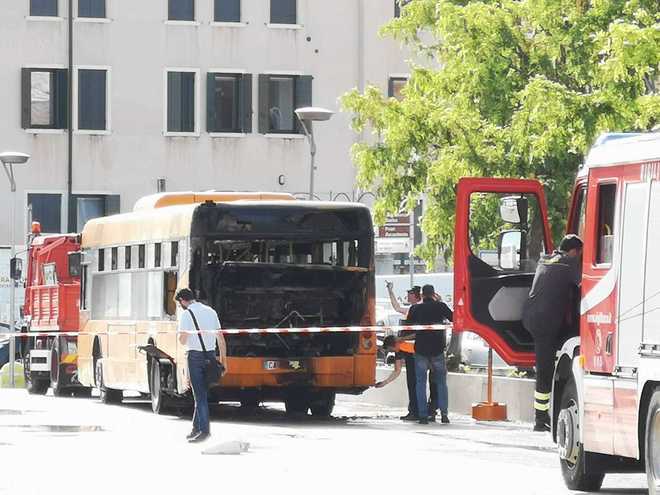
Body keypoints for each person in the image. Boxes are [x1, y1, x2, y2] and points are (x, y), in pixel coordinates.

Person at [522, 234, 583, 432]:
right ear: (574, 252)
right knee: (545, 370)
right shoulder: (568, 265)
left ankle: (543, 416)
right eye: (580, 254)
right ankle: (540, 420)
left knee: (546, 366)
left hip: (531, 318)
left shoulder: (546, 259)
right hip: (545, 323)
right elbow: (585, 283)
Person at [176, 288, 228, 443]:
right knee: (202, 394)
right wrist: (224, 362)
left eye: (180, 304)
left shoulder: (186, 314)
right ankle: (195, 428)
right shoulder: (211, 311)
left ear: (182, 301)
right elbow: (221, 338)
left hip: (195, 357)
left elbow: (183, 341)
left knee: (199, 396)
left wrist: (182, 335)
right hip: (211, 356)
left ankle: (204, 431)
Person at [407, 284, 453, 425]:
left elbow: (409, 324)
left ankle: (422, 416)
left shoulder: (416, 308)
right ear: (433, 294)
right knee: (441, 383)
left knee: (420, 383)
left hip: (421, 350)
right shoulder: (440, 306)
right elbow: (453, 318)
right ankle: (444, 415)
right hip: (437, 350)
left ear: (422, 294)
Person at [386, 283, 422, 421]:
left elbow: (416, 333)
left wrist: (401, 339)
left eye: (409, 294)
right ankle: (418, 410)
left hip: (413, 352)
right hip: (410, 350)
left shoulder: (417, 310)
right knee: (415, 383)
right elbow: (396, 307)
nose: (407, 296)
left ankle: (416, 411)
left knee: (414, 383)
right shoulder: (411, 309)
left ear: (415, 296)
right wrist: (390, 291)